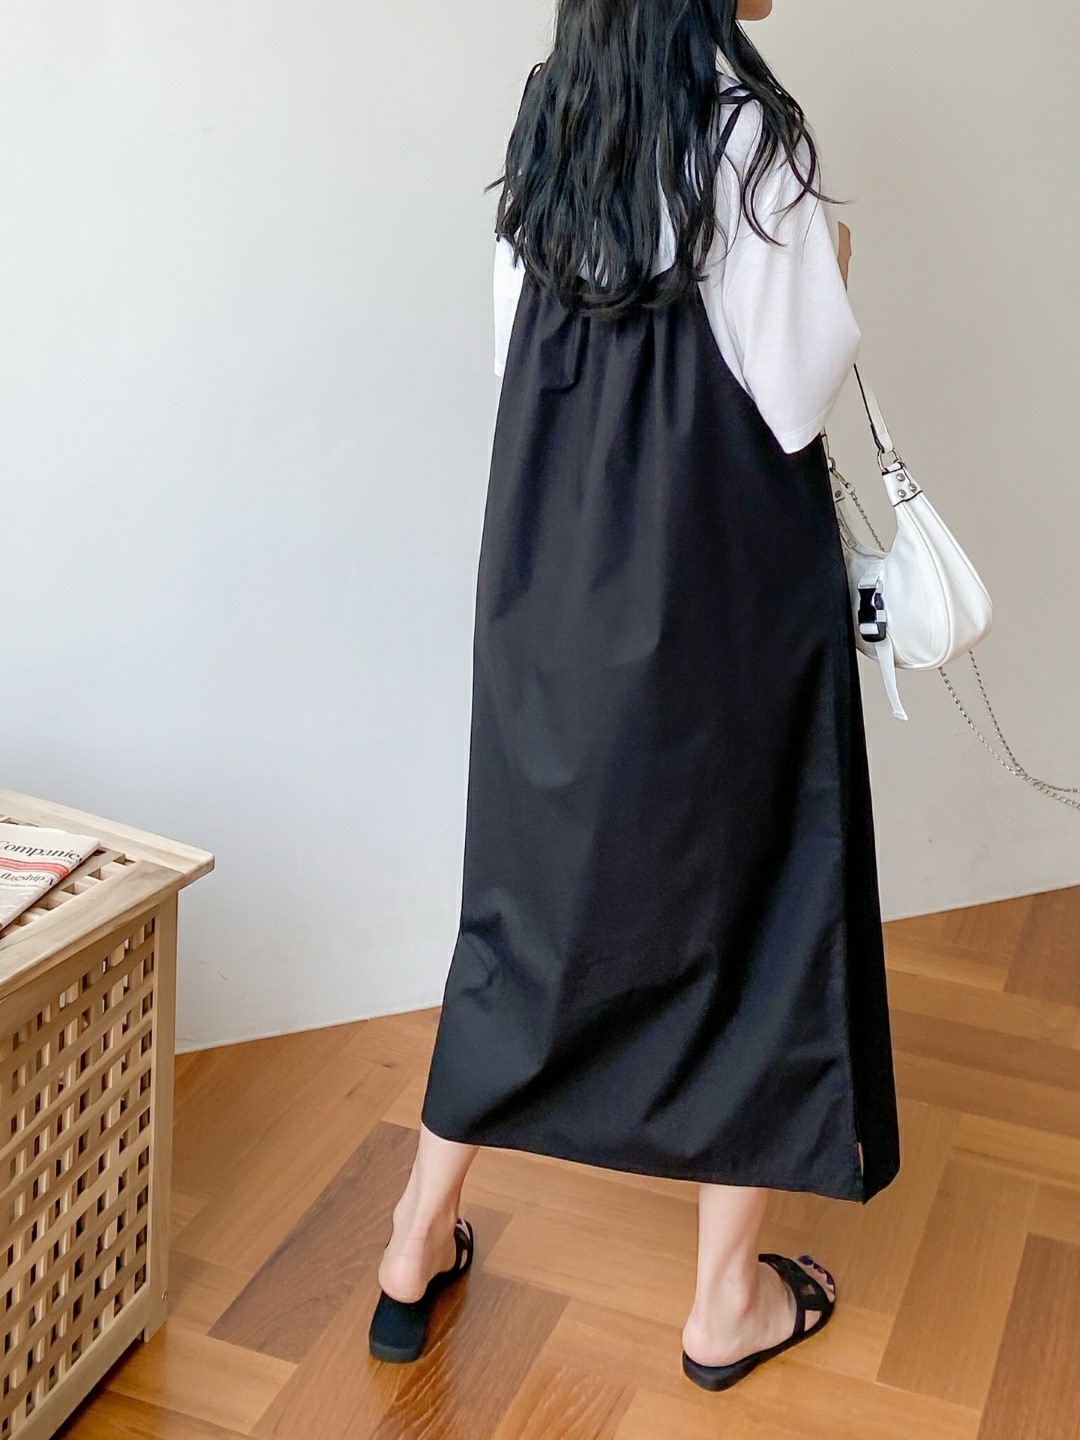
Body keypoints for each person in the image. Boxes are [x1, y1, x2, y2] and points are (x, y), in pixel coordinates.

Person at [368, 0, 901, 1392]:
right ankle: (724, 1304)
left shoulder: (555, 108)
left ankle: (412, 1245)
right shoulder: (748, 134)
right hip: (718, 595)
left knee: (523, 912)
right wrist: (833, 262)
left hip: (550, 582)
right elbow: (792, 395)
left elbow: (514, 351)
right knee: (764, 904)